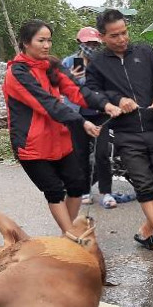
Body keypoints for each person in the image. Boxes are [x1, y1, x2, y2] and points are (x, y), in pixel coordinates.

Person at [85, 9, 153, 262]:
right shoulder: (97, 62)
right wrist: (115, 101)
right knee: (145, 186)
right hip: (126, 135)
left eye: (124, 33)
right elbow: (91, 92)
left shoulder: (145, 52)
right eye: (115, 35)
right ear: (103, 36)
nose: (121, 39)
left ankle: (145, 231)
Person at [4, 19, 120, 234]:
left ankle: (67, 236)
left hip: (59, 140)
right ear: (25, 43)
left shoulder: (52, 66)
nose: (46, 45)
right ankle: (71, 236)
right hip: (32, 146)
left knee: (77, 185)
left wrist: (106, 104)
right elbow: (46, 104)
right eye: (41, 40)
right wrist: (81, 121)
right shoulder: (17, 73)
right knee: (55, 190)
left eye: (49, 40)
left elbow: (76, 91)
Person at [62, 26, 119, 208]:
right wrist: (71, 78)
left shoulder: (103, 62)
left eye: (95, 44)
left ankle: (106, 192)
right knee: (81, 154)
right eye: (88, 43)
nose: (92, 47)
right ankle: (85, 190)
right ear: (80, 43)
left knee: (102, 153)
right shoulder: (71, 62)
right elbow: (62, 88)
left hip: (100, 115)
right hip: (78, 116)